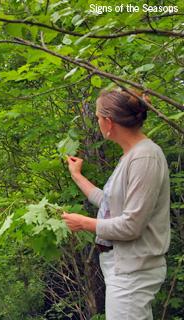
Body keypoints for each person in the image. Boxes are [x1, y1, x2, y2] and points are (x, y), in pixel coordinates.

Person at [61, 88, 170, 319]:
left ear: (109, 123)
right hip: (123, 268)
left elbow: (131, 225)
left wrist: (84, 223)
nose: (98, 122)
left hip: (134, 271)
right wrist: (77, 175)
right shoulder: (131, 155)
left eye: (99, 118)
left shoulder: (145, 158)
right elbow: (108, 203)